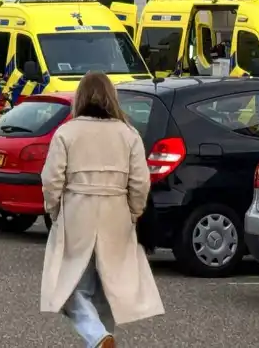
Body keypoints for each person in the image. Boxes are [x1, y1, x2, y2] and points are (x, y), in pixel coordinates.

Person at [39, 71, 163, 347]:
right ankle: (102, 337)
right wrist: (133, 212)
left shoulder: (67, 132)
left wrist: (55, 210)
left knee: (68, 287)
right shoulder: (128, 133)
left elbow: (51, 179)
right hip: (116, 213)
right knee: (108, 289)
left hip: (77, 212)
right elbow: (141, 182)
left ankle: (97, 337)